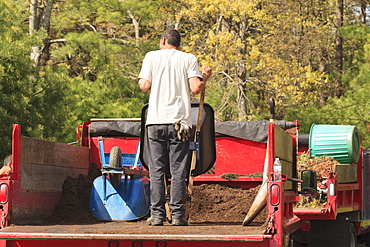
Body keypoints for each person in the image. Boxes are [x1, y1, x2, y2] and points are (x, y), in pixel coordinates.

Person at [138, 28, 212, 226]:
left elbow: (144, 85)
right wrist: (205, 76)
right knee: (179, 169)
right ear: (178, 44)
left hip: (155, 121)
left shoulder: (151, 57)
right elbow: (196, 88)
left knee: (156, 170)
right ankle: (178, 216)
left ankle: (157, 215)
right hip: (180, 123)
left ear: (163, 40)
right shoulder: (188, 59)